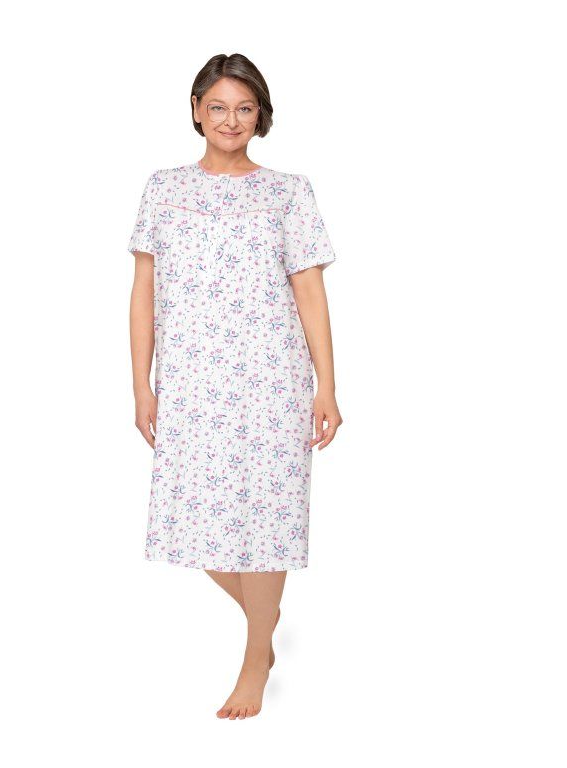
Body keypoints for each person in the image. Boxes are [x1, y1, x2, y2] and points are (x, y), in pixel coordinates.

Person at [126, 53, 343, 720]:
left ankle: (255, 658)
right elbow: (143, 293)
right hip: (192, 386)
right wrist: (142, 387)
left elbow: (310, 292)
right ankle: (265, 625)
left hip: (272, 382)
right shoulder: (163, 188)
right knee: (197, 524)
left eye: (244, 108)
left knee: (267, 521)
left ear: (261, 116)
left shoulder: (289, 192)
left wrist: (327, 387)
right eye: (217, 107)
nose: (230, 119)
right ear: (196, 110)